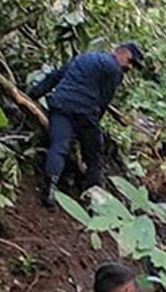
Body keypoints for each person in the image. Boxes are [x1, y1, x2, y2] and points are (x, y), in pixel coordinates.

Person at [28, 42, 144, 205]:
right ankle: (92, 199)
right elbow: (103, 101)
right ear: (122, 53)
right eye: (130, 62)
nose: (130, 68)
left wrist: (33, 94)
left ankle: (49, 188)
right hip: (85, 113)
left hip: (61, 105)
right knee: (94, 155)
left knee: (59, 146)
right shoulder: (114, 70)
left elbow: (56, 76)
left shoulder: (84, 57)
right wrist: (94, 123)